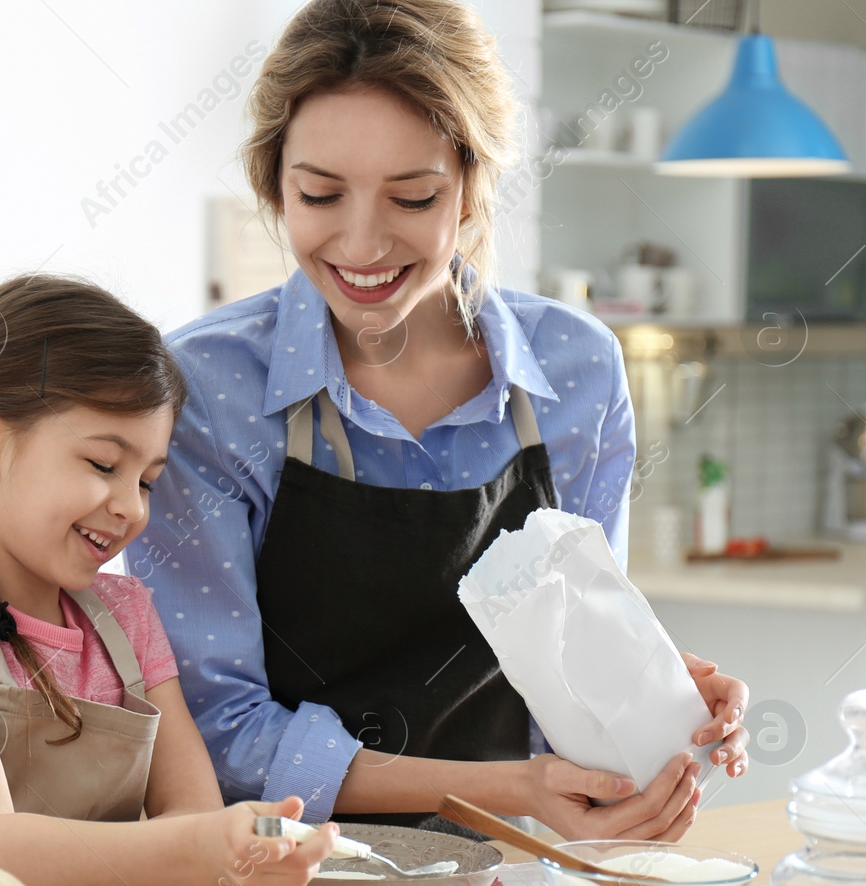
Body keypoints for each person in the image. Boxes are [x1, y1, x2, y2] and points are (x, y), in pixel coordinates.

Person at [123, 0, 749, 843]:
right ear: (276, 184)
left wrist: (659, 712)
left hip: (510, 875)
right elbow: (213, 728)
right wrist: (514, 787)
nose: (362, 243)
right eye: (319, 194)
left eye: (413, 197)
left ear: (475, 185)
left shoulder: (577, 370)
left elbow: (577, 662)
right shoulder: (207, 386)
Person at [0, 274, 338, 886]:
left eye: (148, 480)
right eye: (105, 466)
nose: (130, 507)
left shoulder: (129, 617)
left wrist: (242, 859)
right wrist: (200, 848)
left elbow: (188, 812)